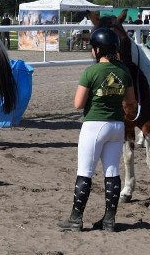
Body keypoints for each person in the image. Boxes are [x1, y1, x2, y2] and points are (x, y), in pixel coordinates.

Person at [57, 28, 136, 233]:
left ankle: (76, 219)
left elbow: (77, 103)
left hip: (94, 125)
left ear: (98, 49)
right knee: (112, 172)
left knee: (85, 172)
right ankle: (109, 220)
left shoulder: (91, 72)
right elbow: (130, 102)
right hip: (117, 126)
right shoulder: (123, 71)